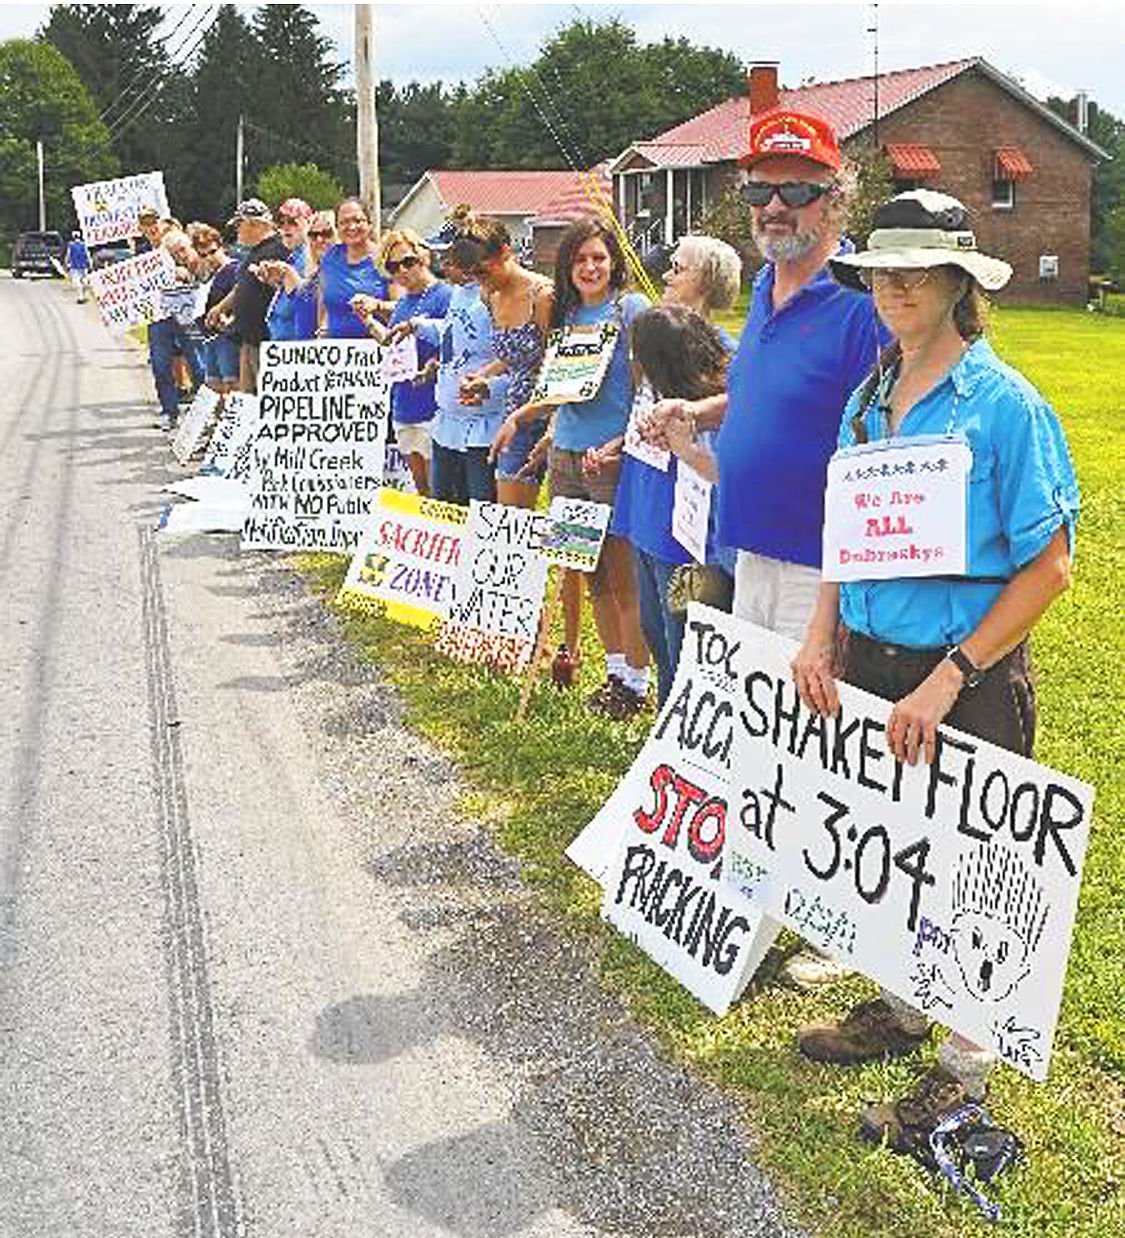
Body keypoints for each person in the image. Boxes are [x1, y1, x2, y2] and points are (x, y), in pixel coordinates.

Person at [789, 188, 1079, 1152]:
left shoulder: (1005, 408)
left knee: (975, 881)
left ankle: (960, 1080)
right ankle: (900, 1011)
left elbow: (1049, 566)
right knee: (899, 857)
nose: (895, 288)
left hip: (965, 679)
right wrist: (817, 633)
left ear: (960, 282)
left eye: (916, 271)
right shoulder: (870, 397)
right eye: (882, 272)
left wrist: (950, 676)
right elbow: (845, 530)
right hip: (869, 665)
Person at [648, 111, 889, 985]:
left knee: (820, 735)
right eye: (759, 187)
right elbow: (756, 389)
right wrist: (700, 415)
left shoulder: (864, 299)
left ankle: (832, 920)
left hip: (819, 563)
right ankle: (760, 876)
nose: (774, 203)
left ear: (836, 196)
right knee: (763, 729)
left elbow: (886, 428)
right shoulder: (763, 287)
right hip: (748, 547)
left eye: (797, 187)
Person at [495, 216, 652, 720]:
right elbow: (557, 391)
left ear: (614, 263)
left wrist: (620, 443)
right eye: (581, 259)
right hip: (566, 459)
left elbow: (650, 393)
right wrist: (527, 422)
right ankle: (613, 674)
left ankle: (637, 681)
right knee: (590, 573)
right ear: (566, 267)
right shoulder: (563, 316)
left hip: (611, 461)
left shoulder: (631, 311)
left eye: (599, 258)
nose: (590, 267)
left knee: (625, 577)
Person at [599, 235, 742, 706]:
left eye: (677, 267)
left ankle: (679, 731)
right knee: (654, 629)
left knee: (685, 631)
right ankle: (665, 718)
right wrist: (620, 442)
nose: (666, 276)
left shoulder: (726, 354)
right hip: (642, 506)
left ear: (706, 281)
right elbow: (647, 411)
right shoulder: (652, 334)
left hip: (687, 529)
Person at [390, 217, 508, 505]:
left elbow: (515, 356)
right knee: (442, 506)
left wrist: (489, 386)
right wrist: (418, 325)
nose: (444, 264)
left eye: (450, 257)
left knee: (479, 504)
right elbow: (454, 334)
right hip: (447, 421)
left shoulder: (494, 296)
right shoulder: (459, 294)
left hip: (482, 425)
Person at [458, 215, 553, 509]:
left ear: (505, 252)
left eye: (483, 272)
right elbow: (512, 354)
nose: (479, 281)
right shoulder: (490, 295)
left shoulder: (543, 296)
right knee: (510, 519)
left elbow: (558, 362)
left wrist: (550, 424)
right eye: (471, 274)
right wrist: (484, 377)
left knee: (559, 523)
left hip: (550, 413)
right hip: (516, 413)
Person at [367, 227, 452, 495]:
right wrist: (368, 320)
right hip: (404, 405)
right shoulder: (403, 303)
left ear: (423, 257)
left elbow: (456, 342)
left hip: (433, 406)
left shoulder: (445, 295)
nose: (402, 271)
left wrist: (436, 362)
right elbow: (391, 343)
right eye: (393, 267)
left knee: (440, 495)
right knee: (421, 492)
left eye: (408, 262)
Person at [203, 199, 288, 393]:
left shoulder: (277, 249)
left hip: (264, 341)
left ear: (254, 224)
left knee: (263, 397)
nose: (237, 231)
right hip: (249, 339)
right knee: (248, 401)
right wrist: (223, 307)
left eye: (239, 225)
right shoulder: (256, 251)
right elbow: (245, 286)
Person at [138, 208, 205, 430]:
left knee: (198, 362)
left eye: (153, 222)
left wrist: (183, 269)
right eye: (145, 224)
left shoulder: (179, 239)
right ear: (141, 228)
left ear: (161, 221)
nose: (151, 227)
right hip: (158, 316)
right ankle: (170, 411)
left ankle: (204, 411)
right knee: (160, 364)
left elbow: (199, 269)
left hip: (188, 316)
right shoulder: (142, 251)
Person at [253, 209, 336, 341]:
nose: (320, 239)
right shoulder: (314, 274)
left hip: (325, 353)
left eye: (327, 233)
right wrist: (282, 274)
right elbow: (300, 299)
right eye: (313, 235)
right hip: (298, 353)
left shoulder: (342, 273)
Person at [317, 197, 394, 339]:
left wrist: (378, 305)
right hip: (338, 353)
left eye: (358, 221)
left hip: (377, 350)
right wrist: (323, 328)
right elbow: (325, 302)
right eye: (344, 222)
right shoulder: (330, 257)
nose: (352, 227)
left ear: (370, 224)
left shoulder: (386, 258)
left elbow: (404, 307)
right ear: (337, 228)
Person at [189, 223, 240, 395]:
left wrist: (230, 319)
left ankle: (231, 421)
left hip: (228, 339)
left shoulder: (234, 269)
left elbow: (243, 300)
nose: (209, 258)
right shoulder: (210, 274)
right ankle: (218, 421)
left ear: (222, 247)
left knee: (231, 386)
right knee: (212, 387)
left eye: (213, 251)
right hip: (210, 339)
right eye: (203, 255)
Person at [264, 197, 313, 342]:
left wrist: (286, 273)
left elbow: (309, 299)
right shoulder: (294, 257)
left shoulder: (310, 256)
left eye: (292, 222)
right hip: (281, 347)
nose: (285, 228)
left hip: (297, 348)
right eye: (281, 223)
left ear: (307, 224)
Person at [65, 231, 89, 303]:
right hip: (82, 266)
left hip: (76, 266)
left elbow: (68, 255)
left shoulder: (71, 245)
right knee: (83, 282)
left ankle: (81, 297)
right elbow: (88, 255)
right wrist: (90, 264)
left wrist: (66, 263)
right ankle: (81, 297)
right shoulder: (83, 244)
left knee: (79, 282)